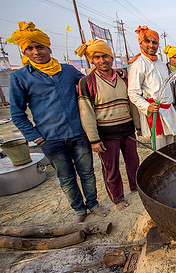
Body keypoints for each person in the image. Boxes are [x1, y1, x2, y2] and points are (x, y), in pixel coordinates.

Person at [8, 22, 109, 222]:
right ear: (25, 52)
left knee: (87, 173)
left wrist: (116, 73)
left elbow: (91, 85)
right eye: (30, 48)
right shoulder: (19, 78)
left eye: (40, 47)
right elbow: (17, 113)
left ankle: (93, 204)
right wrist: (35, 137)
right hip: (50, 138)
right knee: (66, 178)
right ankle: (79, 210)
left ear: (49, 48)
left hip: (78, 134)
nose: (36, 52)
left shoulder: (68, 71)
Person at [76, 39, 141, 211]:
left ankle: (137, 188)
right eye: (96, 57)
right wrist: (94, 139)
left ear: (111, 58)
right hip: (106, 134)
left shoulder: (122, 78)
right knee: (111, 169)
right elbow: (86, 112)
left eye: (105, 56)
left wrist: (138, 126)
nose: (102, 60)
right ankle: (117, 198)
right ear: (92, 60)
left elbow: (131, 103)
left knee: (134, 162)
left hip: (127, 130)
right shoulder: (87, 82)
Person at [128, 26, 176, 149]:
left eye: (155, 42)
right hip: (155, 114)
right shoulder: (138, 65)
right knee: (159, 151)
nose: (151, 45)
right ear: (141, 43)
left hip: (168, 111)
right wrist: (147, 106)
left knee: (171, 148)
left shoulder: (161, 64)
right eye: (147, 41)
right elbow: (132, 93)